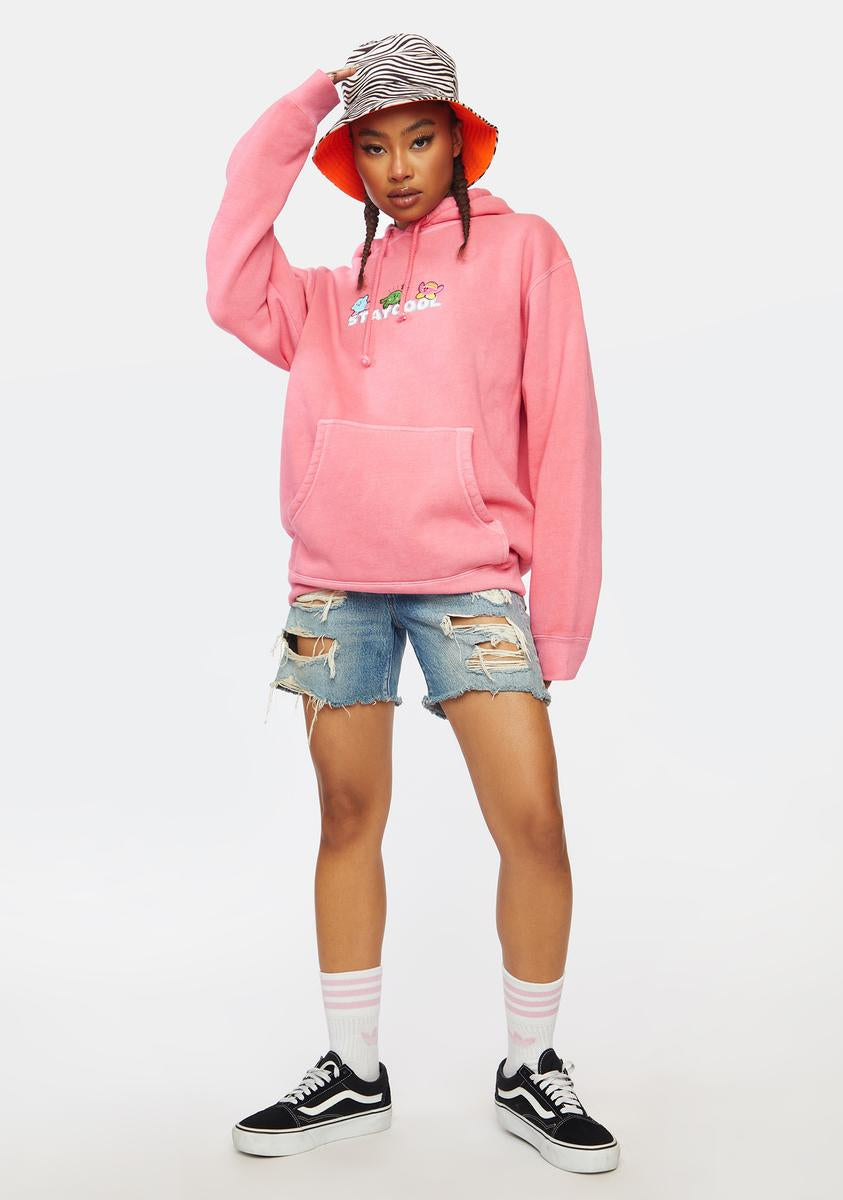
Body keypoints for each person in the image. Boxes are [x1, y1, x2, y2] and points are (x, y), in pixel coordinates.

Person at [205, 32, 618, 1175]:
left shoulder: (526, 250)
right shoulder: (326, 296)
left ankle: (531, 1065)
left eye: (419, 139)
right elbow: (228, 276)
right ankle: (353, 1071)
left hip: (472, 582)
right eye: (375, 147)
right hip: (333, 584)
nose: (397, 168)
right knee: (347, 819)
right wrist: (307, 104)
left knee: (532, 821)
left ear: (459, 141)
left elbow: (567, 426)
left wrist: (561, 614)